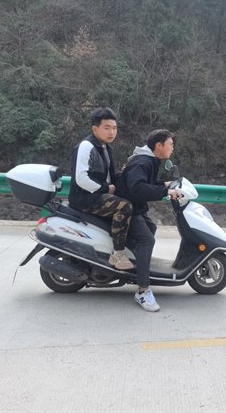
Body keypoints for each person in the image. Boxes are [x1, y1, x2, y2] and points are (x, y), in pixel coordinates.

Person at [117, 129, 181, 312]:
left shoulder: (150, 160)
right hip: (127, 208)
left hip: (135, 206)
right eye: (170, 144)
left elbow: (146, 182)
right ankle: (143, 291)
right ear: (159, 145)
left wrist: (164, 184)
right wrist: (165, 191)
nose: (172, 148)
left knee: (151, 227)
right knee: (147, 240)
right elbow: (137, 187)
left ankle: (137, 266)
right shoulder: (142, 162)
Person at [68, 107, 134, 271]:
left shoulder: (106, 148)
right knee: (124, 206)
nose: (112, 132)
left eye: (114, 128)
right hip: (84, 198)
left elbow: (109, 177)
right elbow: (81, 178)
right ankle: (118, 254)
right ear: (95, 129)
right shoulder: (86, 146)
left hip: (98, 195)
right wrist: (106, 188)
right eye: (107, 128)